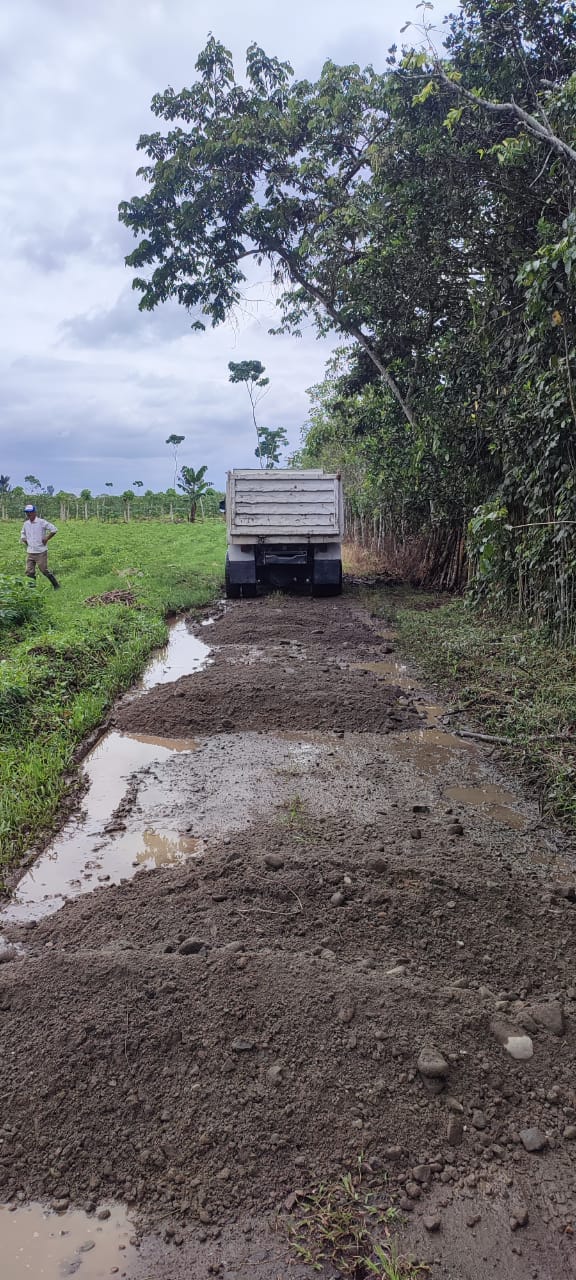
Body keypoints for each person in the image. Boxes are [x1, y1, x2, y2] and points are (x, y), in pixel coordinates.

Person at [20, 505, 60, 589]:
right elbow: (23, 533)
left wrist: (47, 538)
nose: (28, 514)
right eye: (27, 512)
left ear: (35, 512)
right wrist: (24, 539)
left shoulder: (41, 522)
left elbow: (54, 529)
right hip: (30, 552)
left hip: (40, 552)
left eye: (30, 512)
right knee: (29, 572)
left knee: (44, 570)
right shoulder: (26, 524)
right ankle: (32, 590)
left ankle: (56, 585)